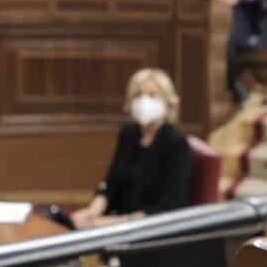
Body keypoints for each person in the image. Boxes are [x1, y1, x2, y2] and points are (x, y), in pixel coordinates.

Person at [70, 69, 193, 226]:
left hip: (150, 230)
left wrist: (104, 223)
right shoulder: (128, 134)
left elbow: (169, 207)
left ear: (168, 101)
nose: (144, 101)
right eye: (138, 95)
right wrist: (91, 212)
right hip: (117, 222)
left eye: (152, 95)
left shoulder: (176, 143)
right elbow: (110, 183)